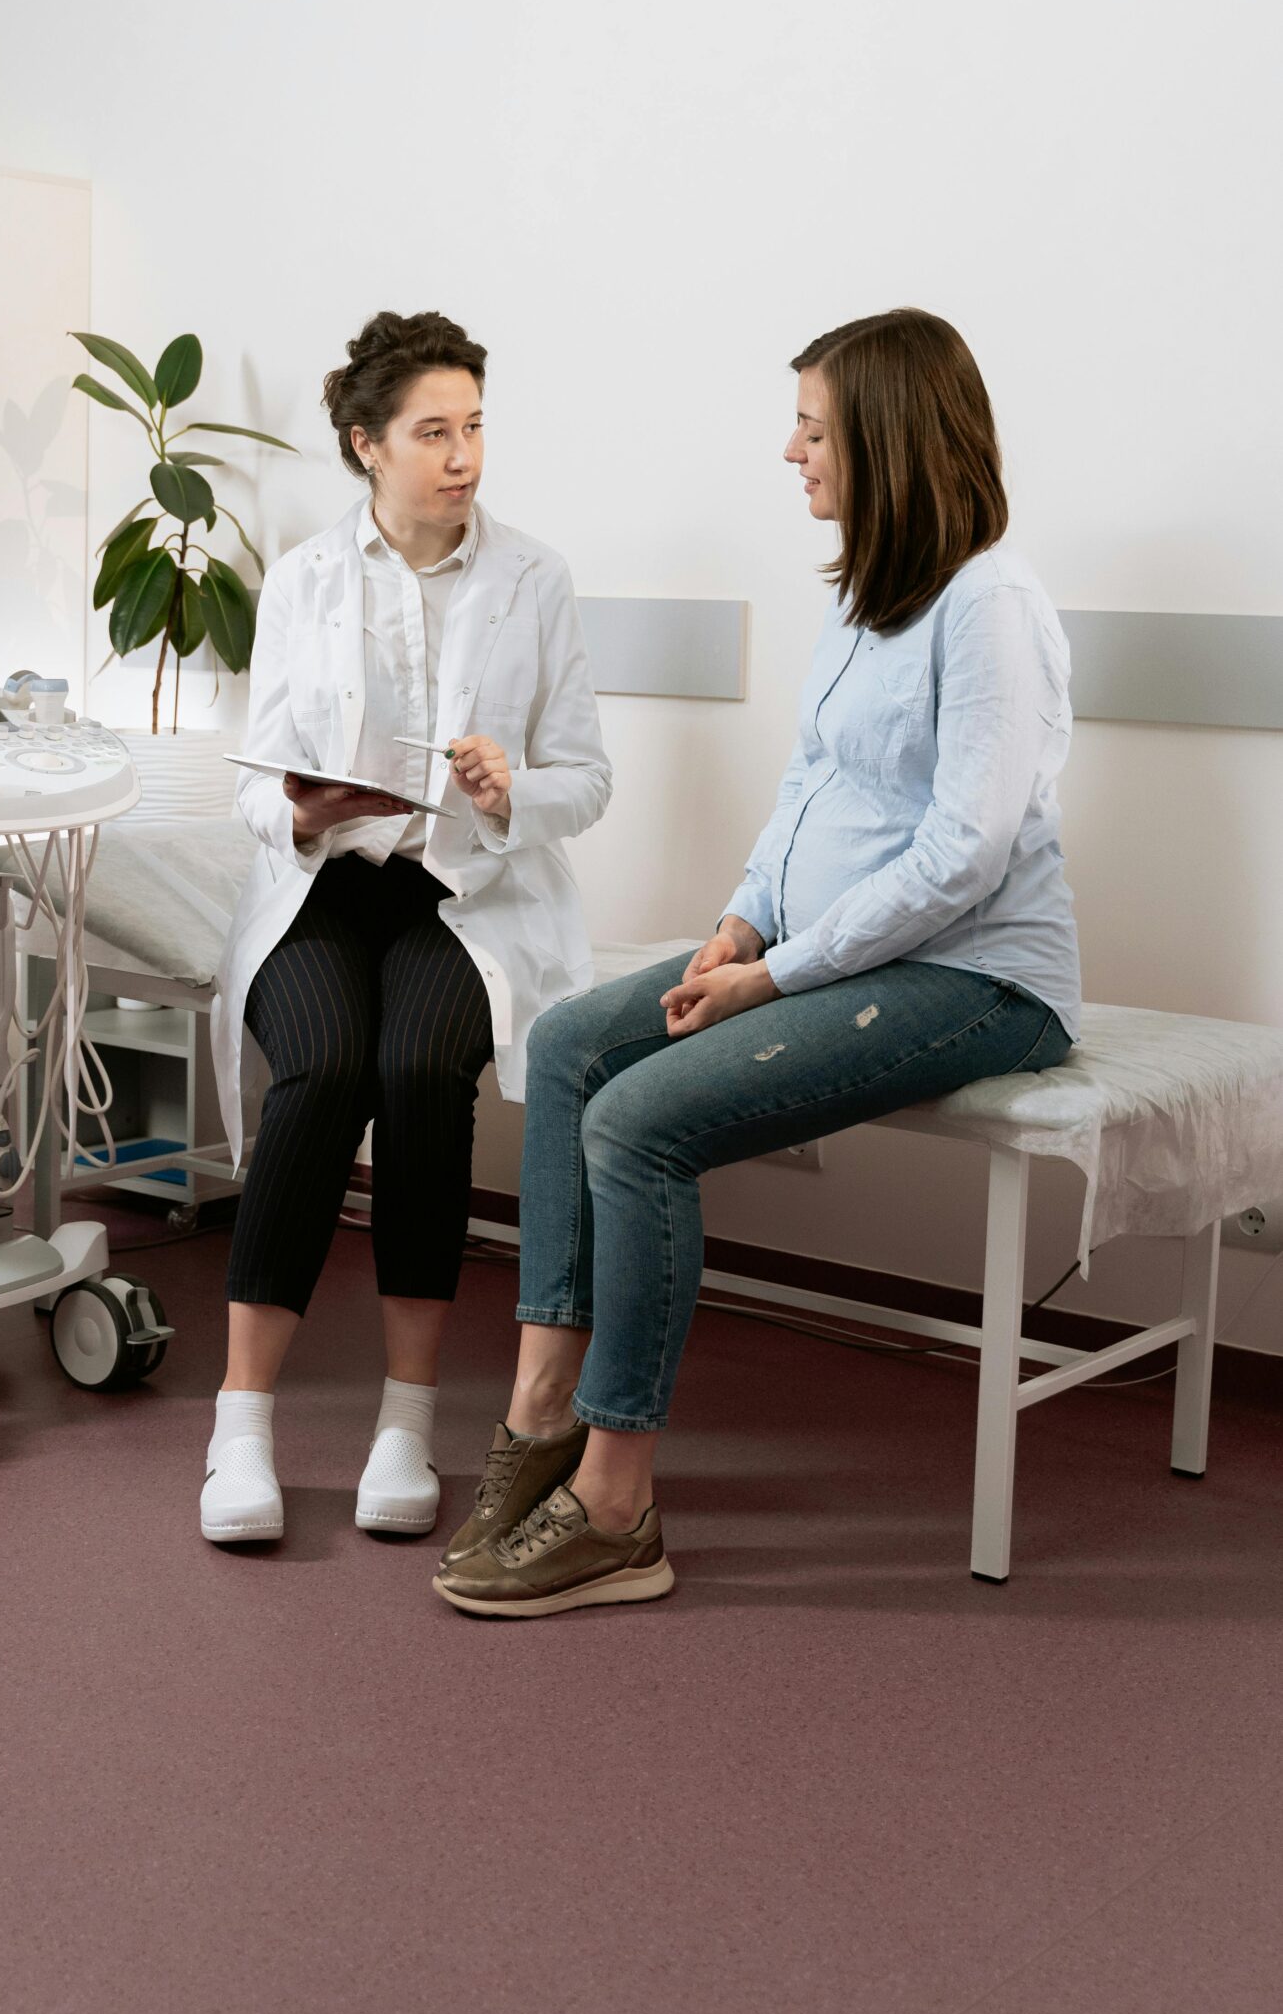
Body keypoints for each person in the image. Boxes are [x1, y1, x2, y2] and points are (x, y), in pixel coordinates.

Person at [434, 307, 1081, 1618]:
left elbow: (960, 857)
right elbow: (807, 791)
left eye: (812, 427)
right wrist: (739, 921)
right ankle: (540, 1416)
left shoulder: (987, 604)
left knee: (635, 1124)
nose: (788, 451)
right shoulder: (863, 598)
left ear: (887, 440)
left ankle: (616, 1509)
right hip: (827, 950)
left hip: (976, 981)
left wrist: (776, 978)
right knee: (568, 1044)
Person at [204, 310, 612, 1545]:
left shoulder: (534, 579)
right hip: (326, 882)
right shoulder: (305, 579)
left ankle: (406, 1418)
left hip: (464, 893)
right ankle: (241, 1423)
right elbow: (245, 779)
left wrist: (510, 789)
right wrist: (298, 802)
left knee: (421, 1070)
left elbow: (585, 780)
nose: (463, 455)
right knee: (324, 1070)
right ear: (365, 444)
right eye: (433, 431)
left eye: (474, 426)